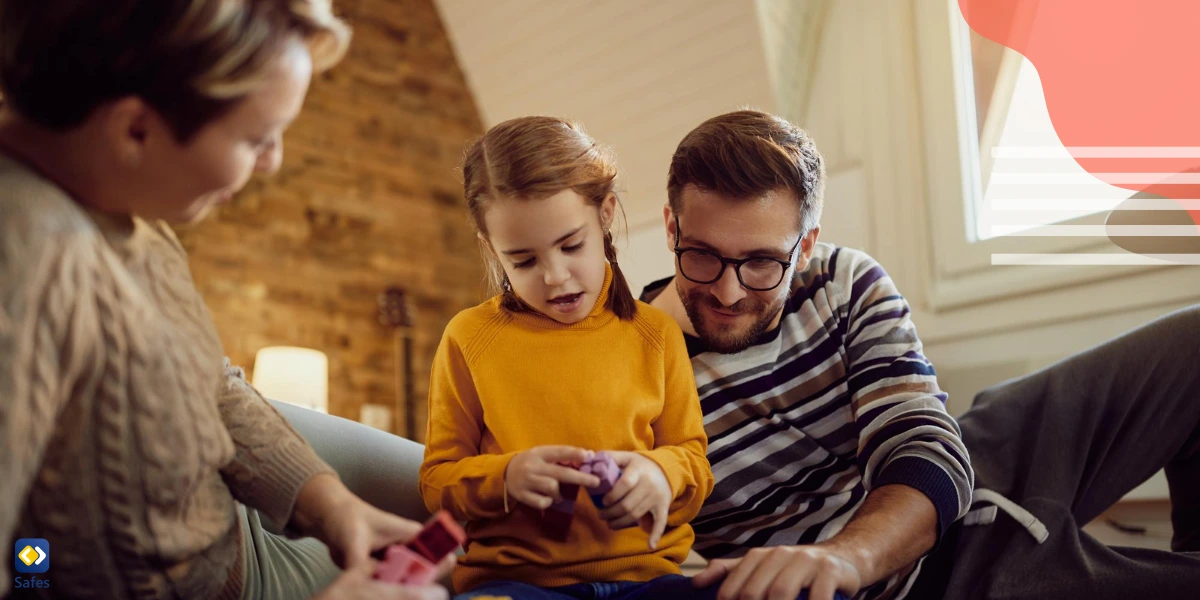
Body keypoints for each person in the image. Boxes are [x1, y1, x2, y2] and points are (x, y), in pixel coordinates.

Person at [641, 109, 1200, 600]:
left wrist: (846, 556)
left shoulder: (841, 278)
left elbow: (922, 447)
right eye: (703, 256)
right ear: (672, 227)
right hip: (935, 583)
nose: (729, 292)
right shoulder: (625, 364)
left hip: (979, 459)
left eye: (762, 262)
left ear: (806, 246)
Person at [0, 2, 448, 598]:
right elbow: (33, 572)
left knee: (472, 497)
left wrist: (330, 504)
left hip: (232, 511)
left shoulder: (122, 201)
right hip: (213, 580)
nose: (274, 163)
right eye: (258, 138)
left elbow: (212, 384)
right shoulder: (26, 262)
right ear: (134, 129)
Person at [418, 116, 714, 600]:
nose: (555, 277)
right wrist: (506, 477)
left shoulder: (655, 334)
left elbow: (695, 463)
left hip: (648, 585)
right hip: (518, 585)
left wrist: (661, 475)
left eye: (571, 245)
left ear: (605, 214)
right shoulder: (468, 338)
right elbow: (437, 482)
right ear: (491, 250)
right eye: (524, 261)